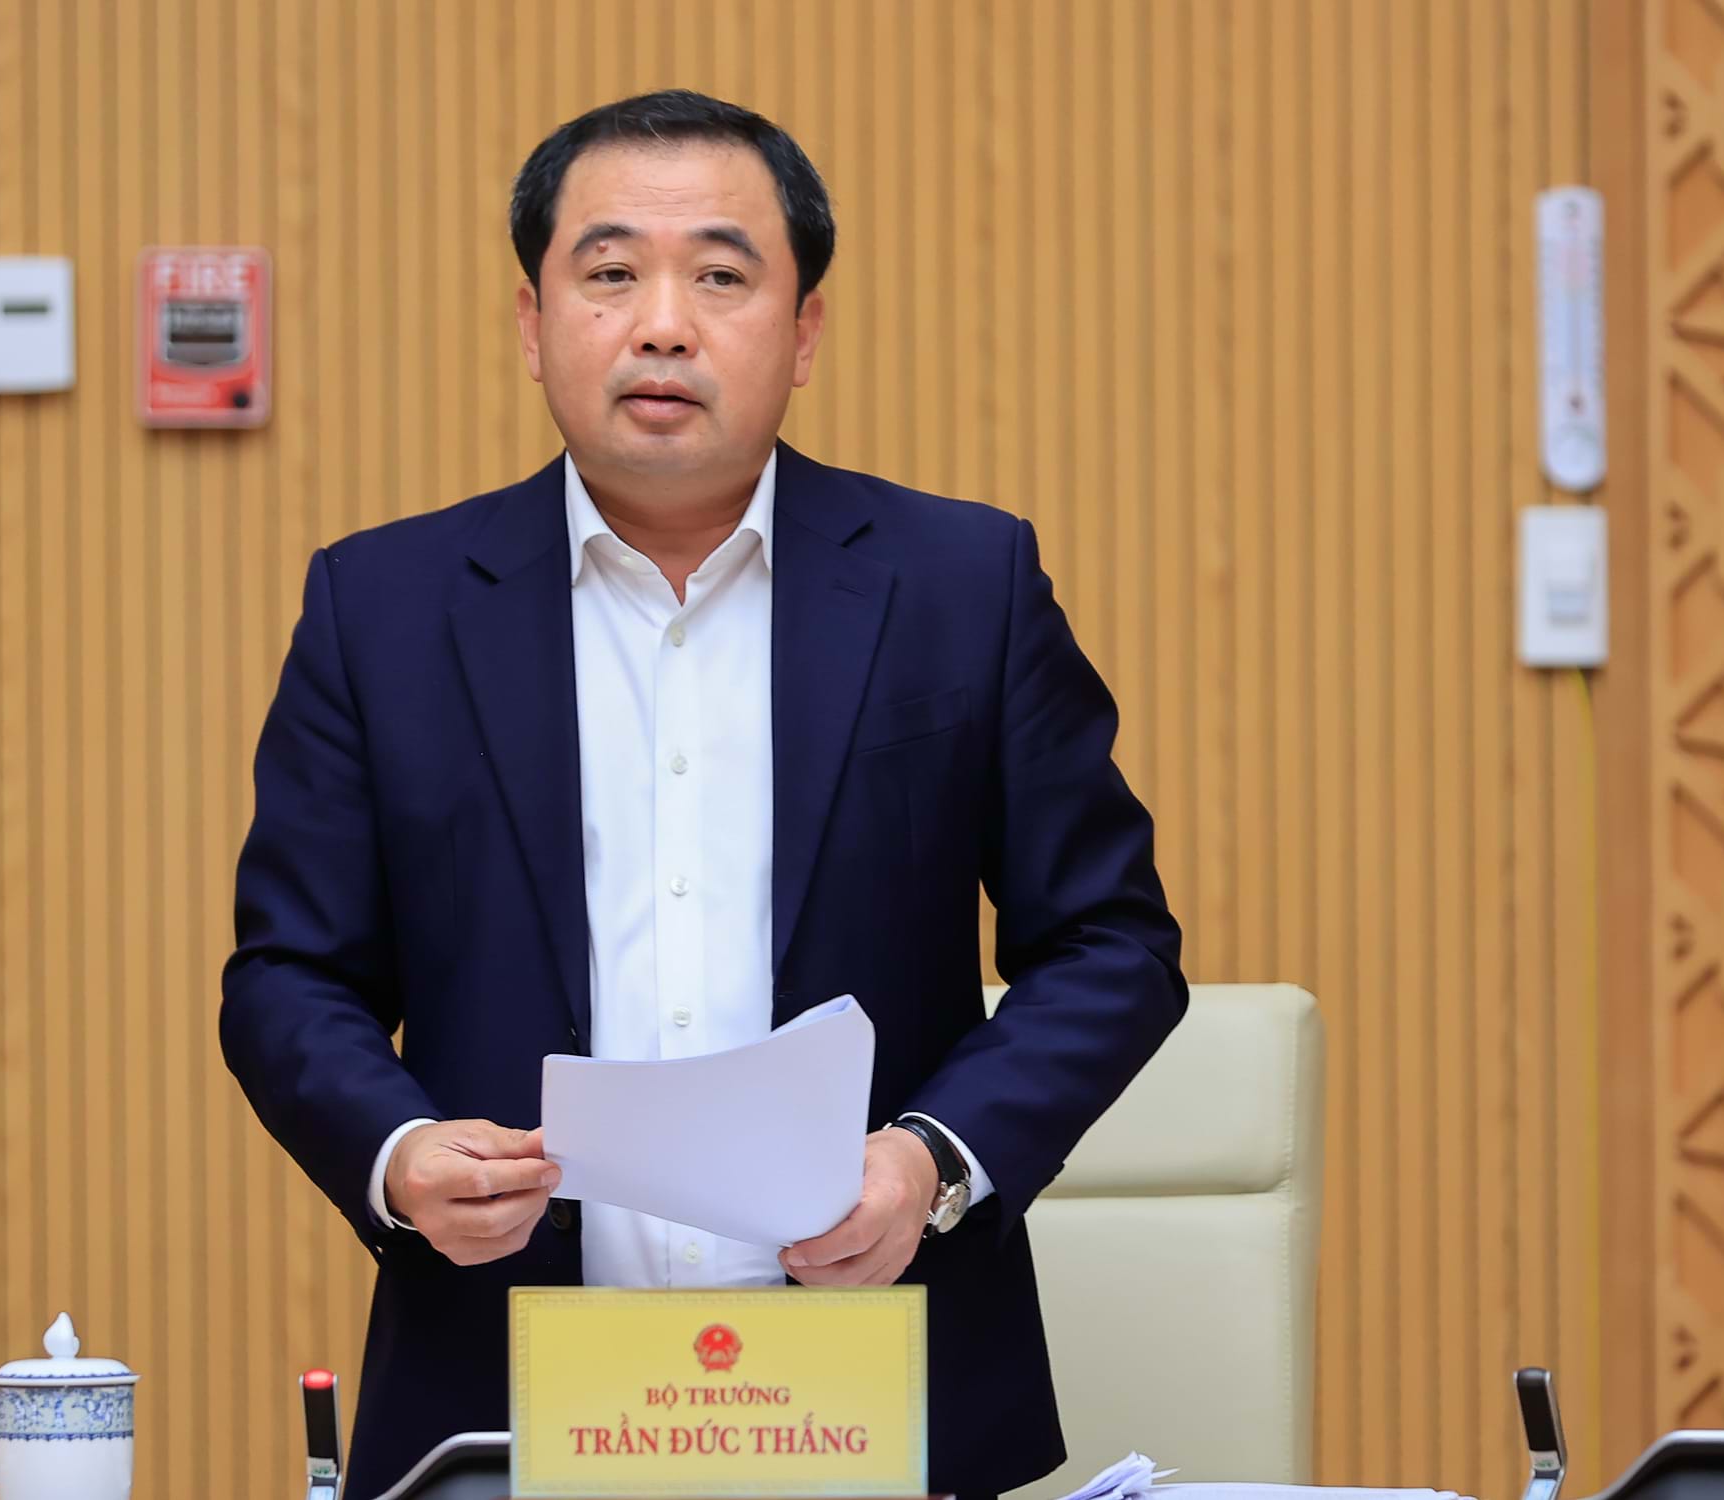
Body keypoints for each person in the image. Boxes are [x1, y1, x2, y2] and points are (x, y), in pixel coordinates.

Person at [222, 88, 1187, 1500]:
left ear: (803, 332)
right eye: (610, 273)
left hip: (875, 1384)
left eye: (722, 277)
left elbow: (1111, 942)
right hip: (507, 1396)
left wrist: (932, 1164)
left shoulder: (959, 586)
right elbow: (289, 973)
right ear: (533, 322)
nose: (663, 325)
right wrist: (400, 1152)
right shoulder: (384, 608)